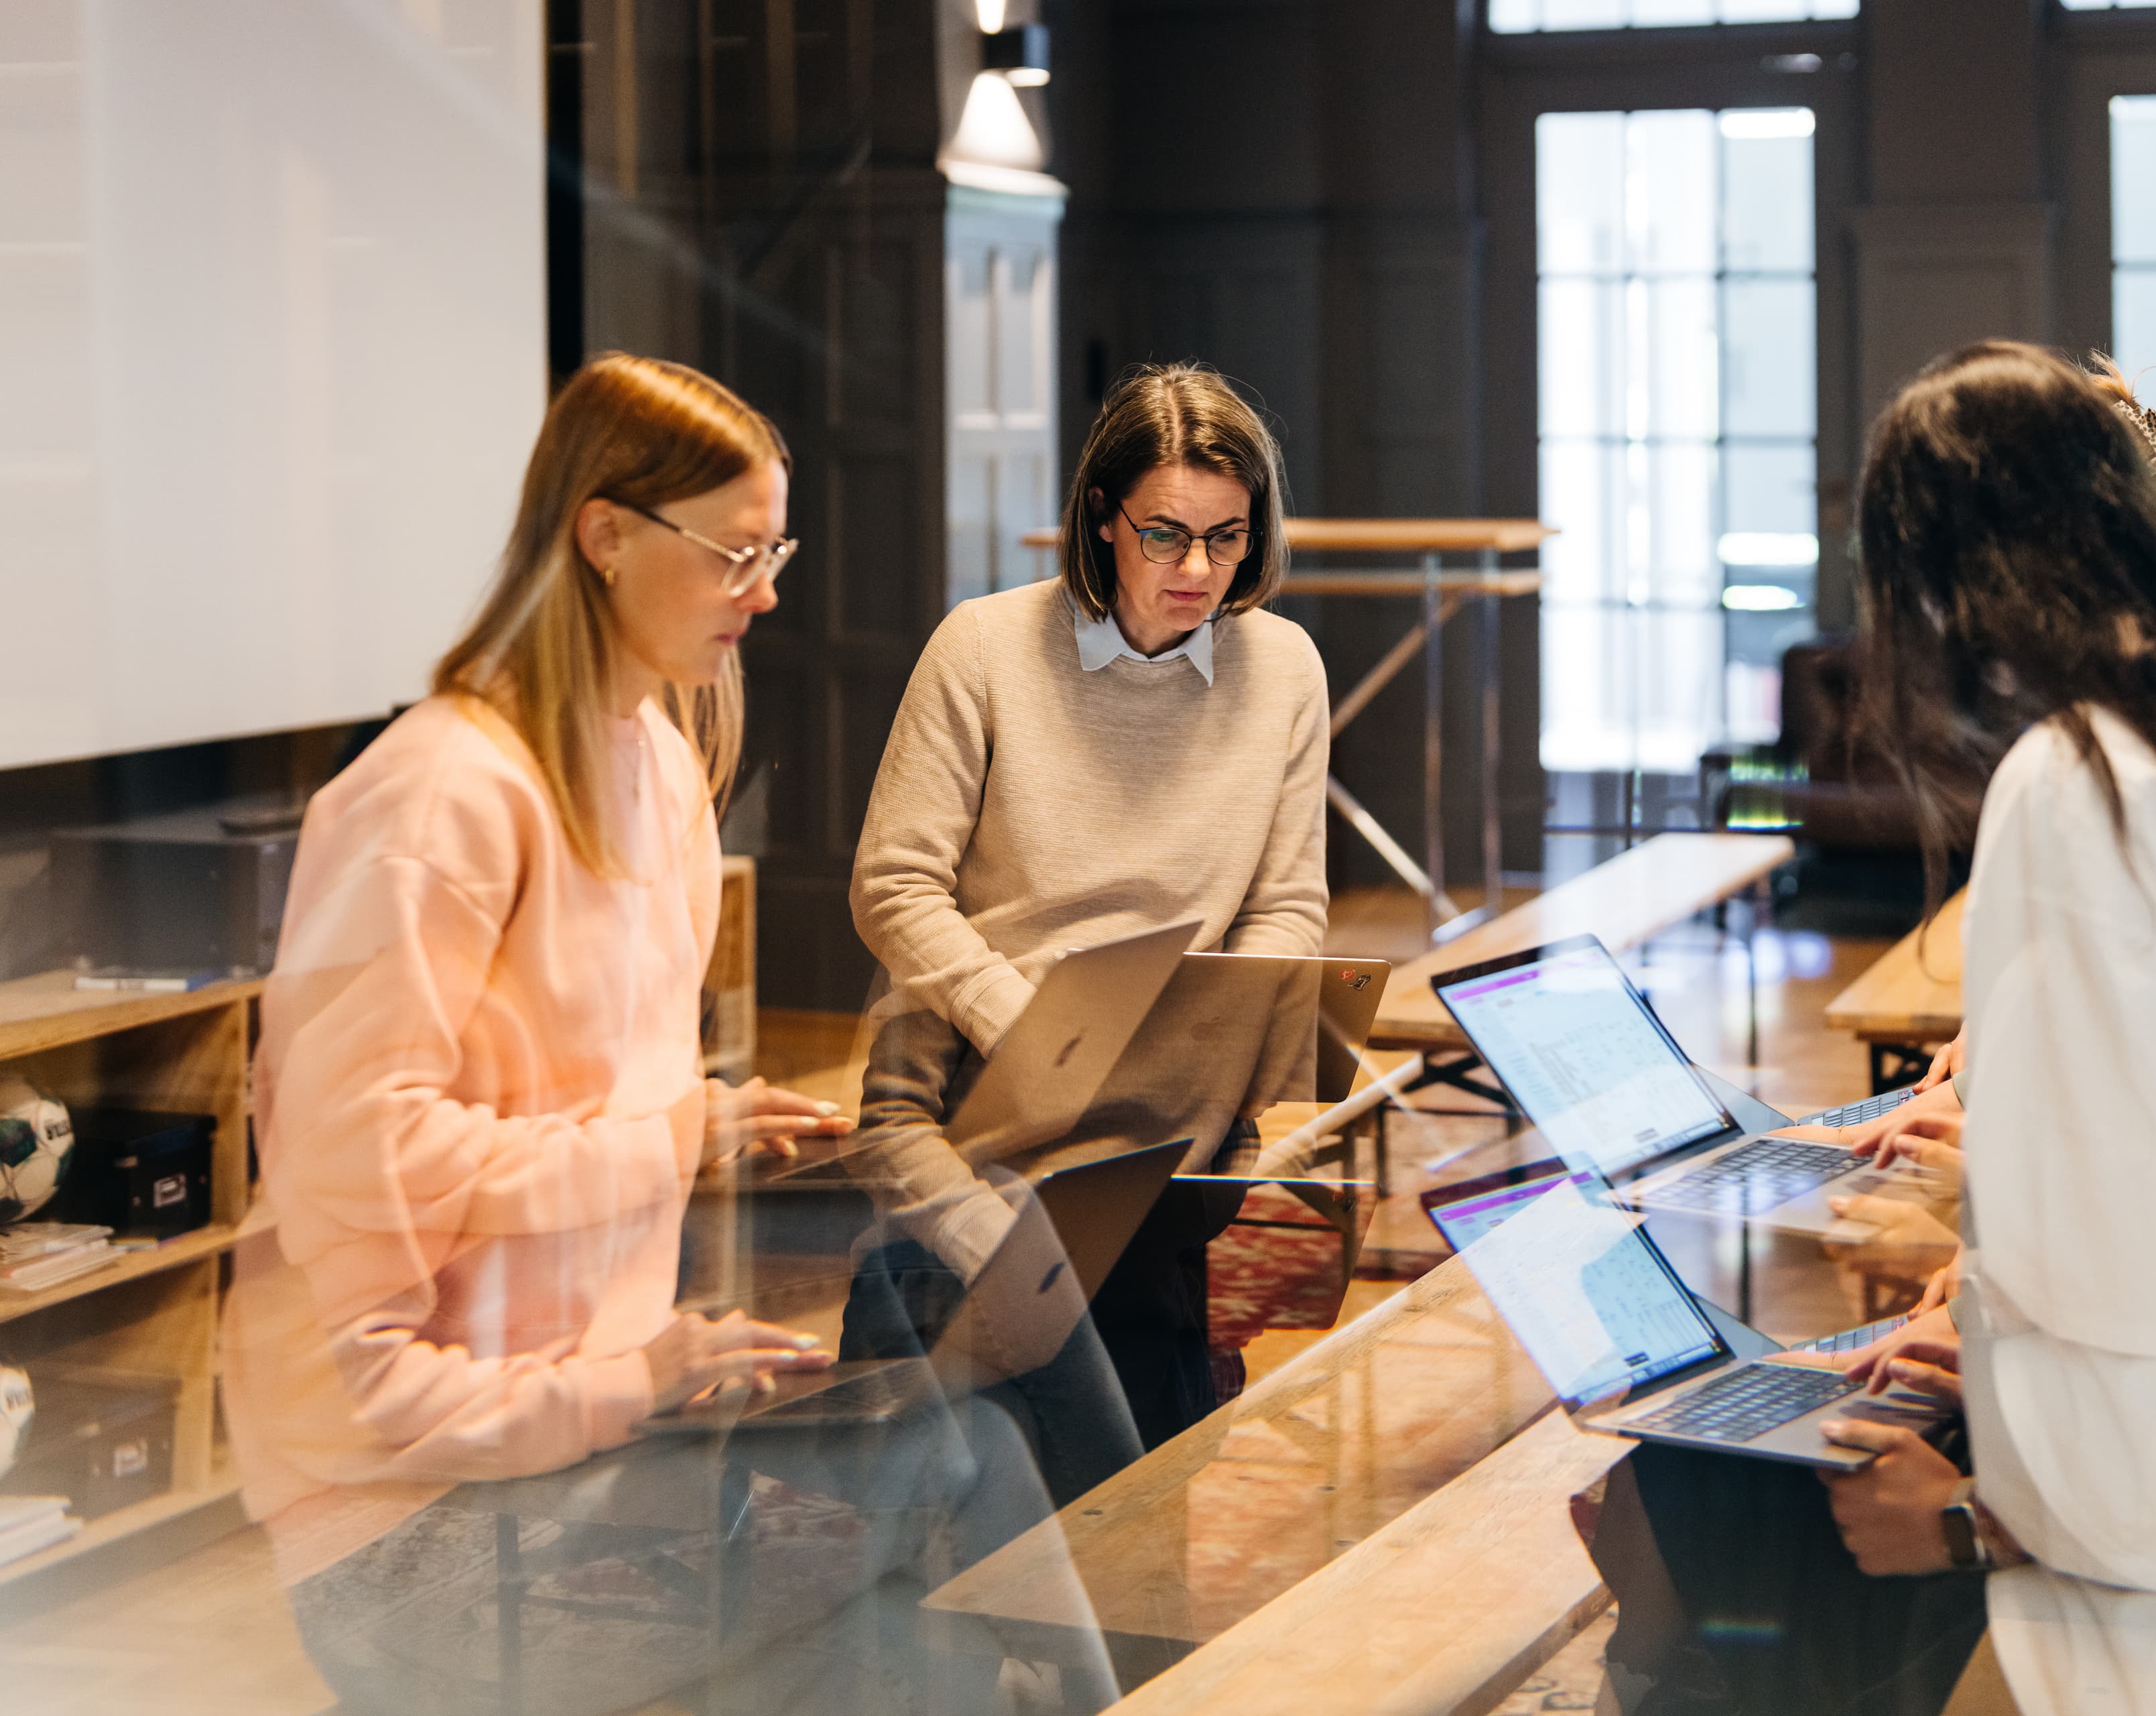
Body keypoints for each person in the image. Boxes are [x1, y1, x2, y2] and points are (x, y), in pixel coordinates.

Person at [1594, 341, 2156, 1715]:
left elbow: (2144, 1255)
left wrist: (1972, 1518)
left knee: (1736, 1575)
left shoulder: (2093, 781)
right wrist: (1992, 1314)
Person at [222, 353, 1113, 1715]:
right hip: (405, 1526)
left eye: (775, 553)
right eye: (736, 555)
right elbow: (369, 1175)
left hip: (580, 1451)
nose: (767, 594)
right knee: (942, 1491)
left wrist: (695, 1159)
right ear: (606, 535)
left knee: (941, 1538)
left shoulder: (657, 765)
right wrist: (643, 1290)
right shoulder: (438, 800)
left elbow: (584, 1115)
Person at [842, 361, 1329, 1462]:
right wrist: (1036, 1036)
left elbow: (1288, 905)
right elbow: (894, 885)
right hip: (987, 1091)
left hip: (1163, 1122)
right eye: (1166, 535)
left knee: (1141, 1475)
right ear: (1103, 517)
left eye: (1228, 537)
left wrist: (1227, 1038)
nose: (1198, 570)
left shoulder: (1285, 668)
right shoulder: (983, 646)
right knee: (1027, 1452)